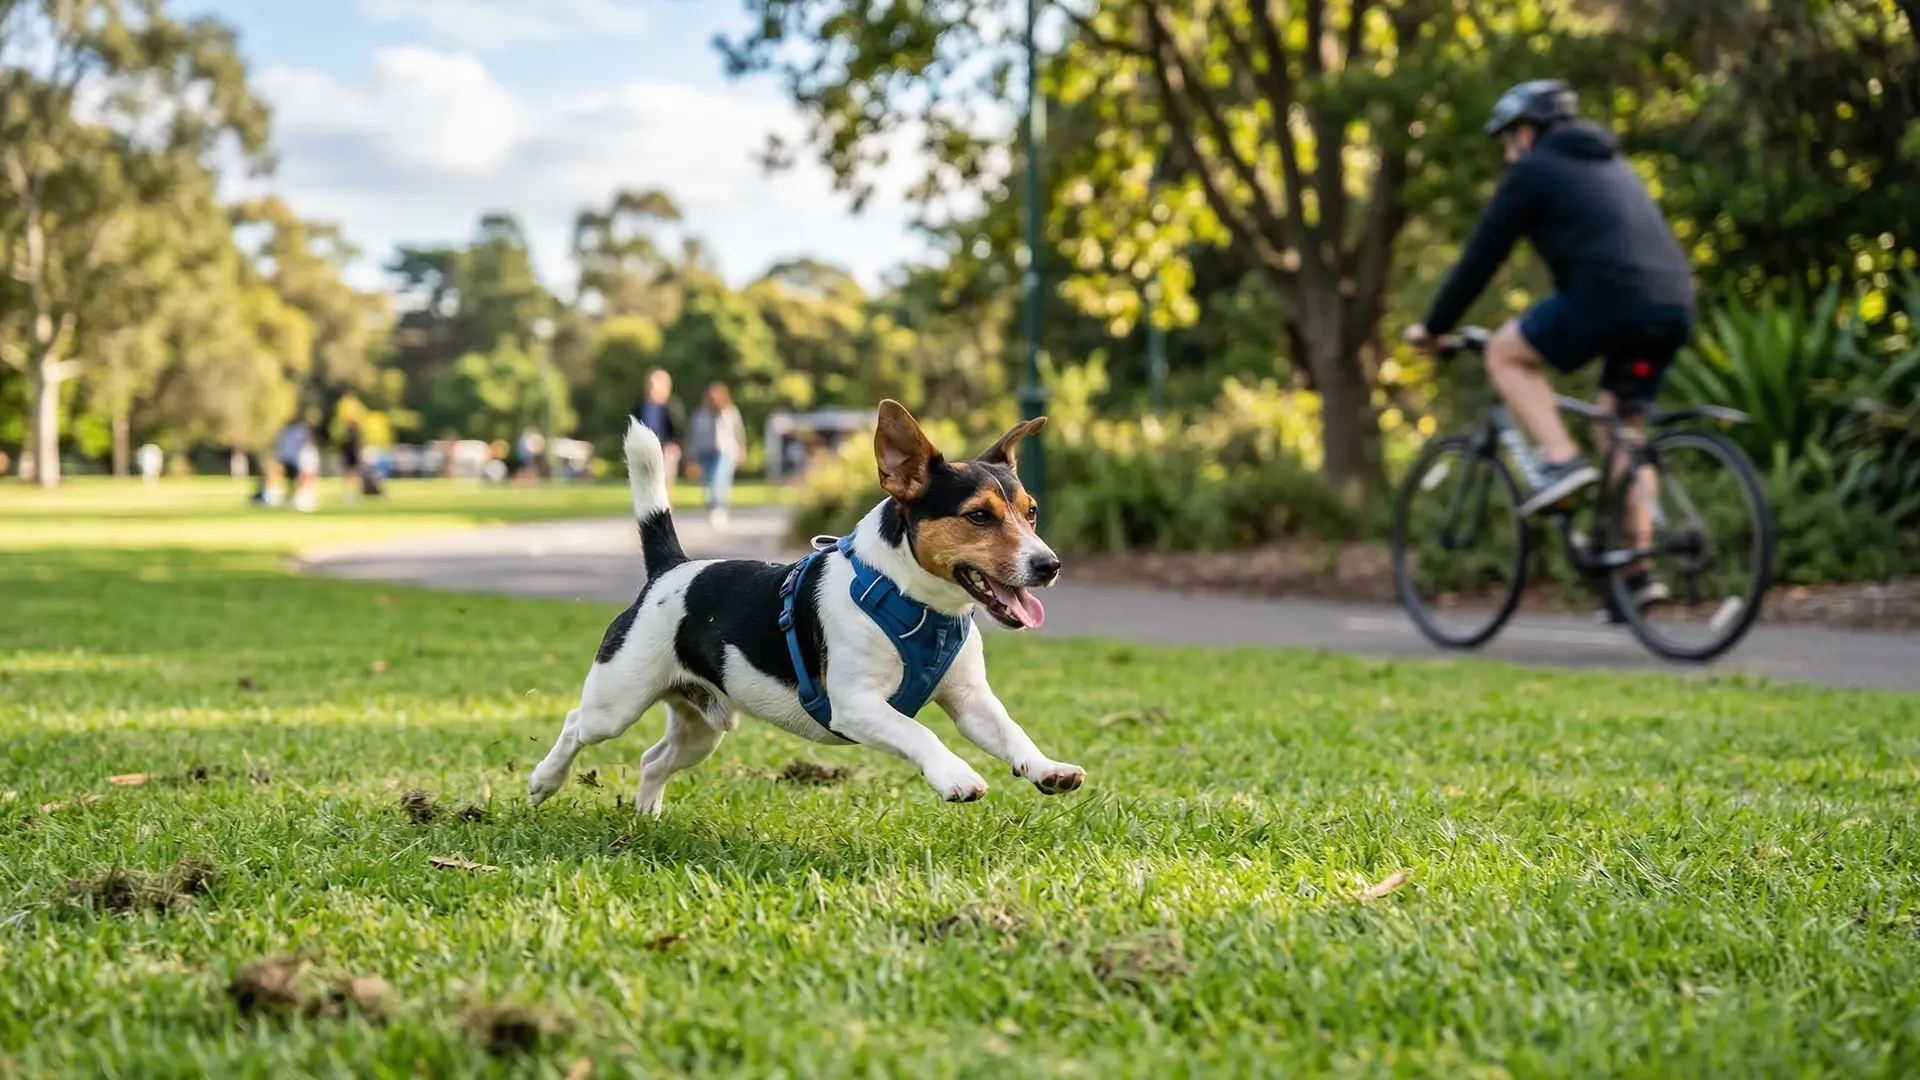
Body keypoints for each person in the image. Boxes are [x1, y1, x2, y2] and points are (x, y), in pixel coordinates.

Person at [1404, 79, 1694, 616]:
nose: (1506, 151)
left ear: (1525, 132)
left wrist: (1433, 326)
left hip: (1608, 296)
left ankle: (1560, 463)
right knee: (1620, 429)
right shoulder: (1613, 165)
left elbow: (1480, 257)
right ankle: (1637, 571)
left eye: (1507, 138)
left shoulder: (1532, 170)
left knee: (1504, 353)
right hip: (1672, 303)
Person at [687, 381, 747, 528]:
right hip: (705, 453)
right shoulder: (700, 415)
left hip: (724, 453)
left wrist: (742, 451)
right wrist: (691, 458)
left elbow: (738, 433)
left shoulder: (730, 413)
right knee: (707, 483)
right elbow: (693, 437)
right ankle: (712, 507)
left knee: (719, 480)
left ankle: (719, 508)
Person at [631, 369, 685, 484]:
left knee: (664, 479)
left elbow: (679, 426)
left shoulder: (672, 405)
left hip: (667, 446)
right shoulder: (642, 404)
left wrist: (676, 444)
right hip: (646, 446)